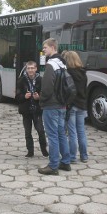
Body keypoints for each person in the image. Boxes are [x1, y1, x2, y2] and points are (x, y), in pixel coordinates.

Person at [38, 38, 71, 175]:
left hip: (51, 105)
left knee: (52, 136)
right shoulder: (63, 64)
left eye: (45, 47)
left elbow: (46, 87)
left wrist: (42, 100)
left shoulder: (51, 64)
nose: (43, 50)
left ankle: (53, 166)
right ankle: (66, 162)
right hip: (62, 105)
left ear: (52, 47)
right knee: (61, 134)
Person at [15, 61, 48, 158]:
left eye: (32, 68)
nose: (30, 70)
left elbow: (46, 96)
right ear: (26, 69)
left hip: (37, 110)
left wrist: (39, 97)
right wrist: (24, 96)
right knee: (27, 132)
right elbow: (17, 96)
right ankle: (30, 151)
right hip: (26, 110)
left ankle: (44, 150)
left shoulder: (41, 80)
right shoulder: (21, 80)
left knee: (41, 131)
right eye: (28, 68)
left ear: (36, 69)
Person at [63, 50, 89, 163]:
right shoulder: (83, 73)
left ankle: (72, 157)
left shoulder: (67, 73)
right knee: (81, 131)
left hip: (72, 105)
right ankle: (84, 156)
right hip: (82, 104)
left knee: (72, 132)